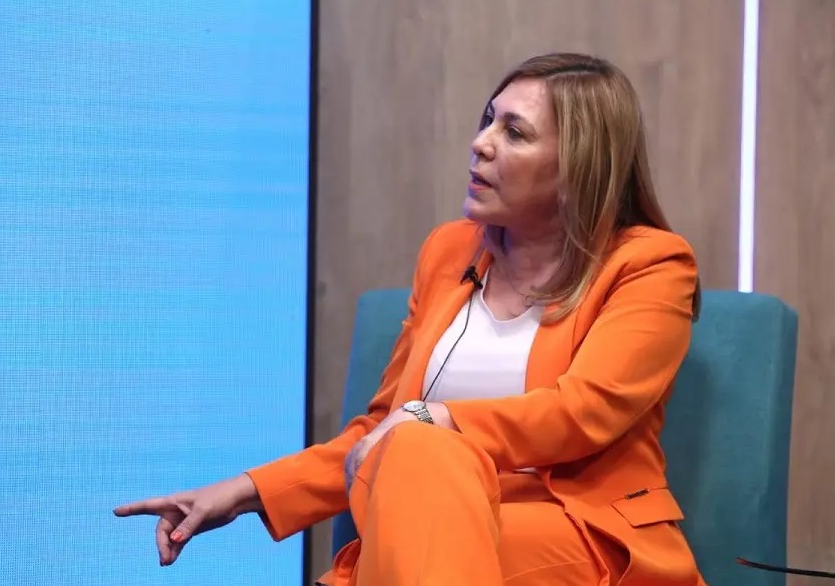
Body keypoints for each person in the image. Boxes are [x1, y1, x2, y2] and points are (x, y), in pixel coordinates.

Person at [115, 52, 707, 586]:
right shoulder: (449, 251)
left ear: (579, 166)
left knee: (420, 457)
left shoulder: (649, 264)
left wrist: (435, 417)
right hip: (425, 526)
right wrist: (244, 491)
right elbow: (379, 430)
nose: (481, 143)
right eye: (487, 120)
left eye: (514, 132)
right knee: (416, 464)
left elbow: (583, 412)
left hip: (577, 533)